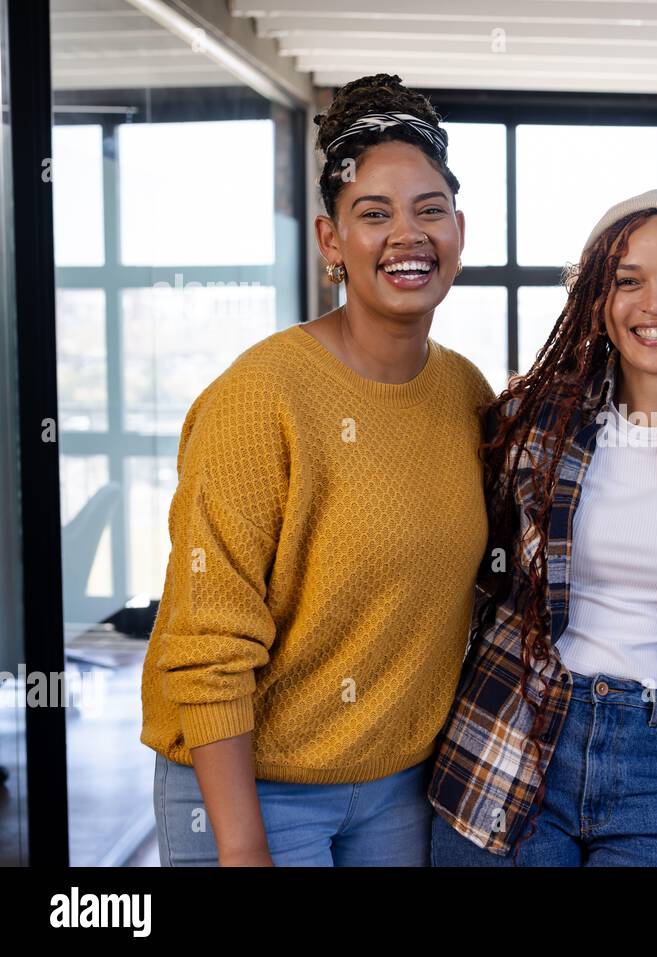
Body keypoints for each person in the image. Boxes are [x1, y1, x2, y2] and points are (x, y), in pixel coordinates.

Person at [141, 74, 489, 866]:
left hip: (399, 786)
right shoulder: (259, 397)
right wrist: (242, 846)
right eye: (374, 214)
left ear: (460, 232)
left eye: (429, 210)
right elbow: (206, 642)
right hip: (249, 790)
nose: (408, 234)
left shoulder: (468, 396)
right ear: (332, 242)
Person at [427, 189, 657, 866]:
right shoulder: (531, 418)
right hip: (515, 733)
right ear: (599, 301)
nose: (654, 303)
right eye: (628, 281)